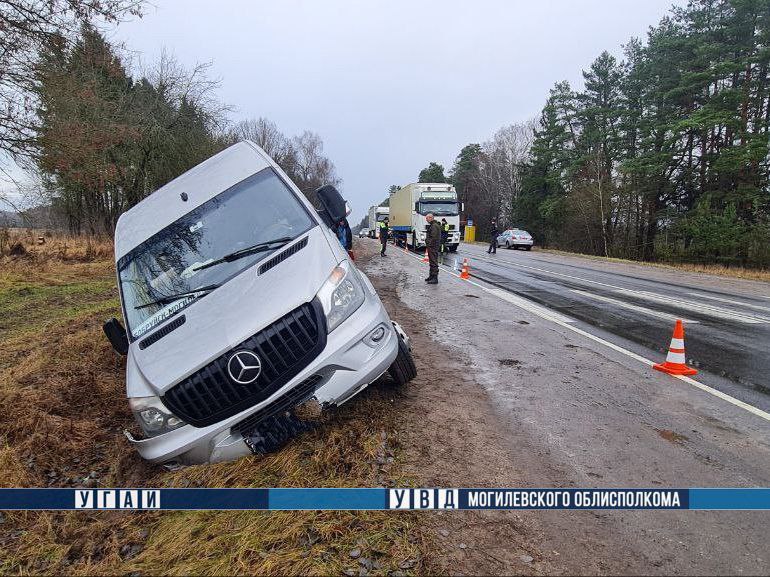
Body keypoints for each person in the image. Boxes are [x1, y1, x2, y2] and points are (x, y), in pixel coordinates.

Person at [425, 213, 442, 284]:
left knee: (433, 261)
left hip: (433, 246)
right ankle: (431, 276)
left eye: (427, 218)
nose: (426, 220)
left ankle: (435, 278)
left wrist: (428, 243)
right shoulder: (433, 225)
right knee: (432, 261)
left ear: (431, 218)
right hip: (432, 246)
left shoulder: (434, 226)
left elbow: (433, 237)